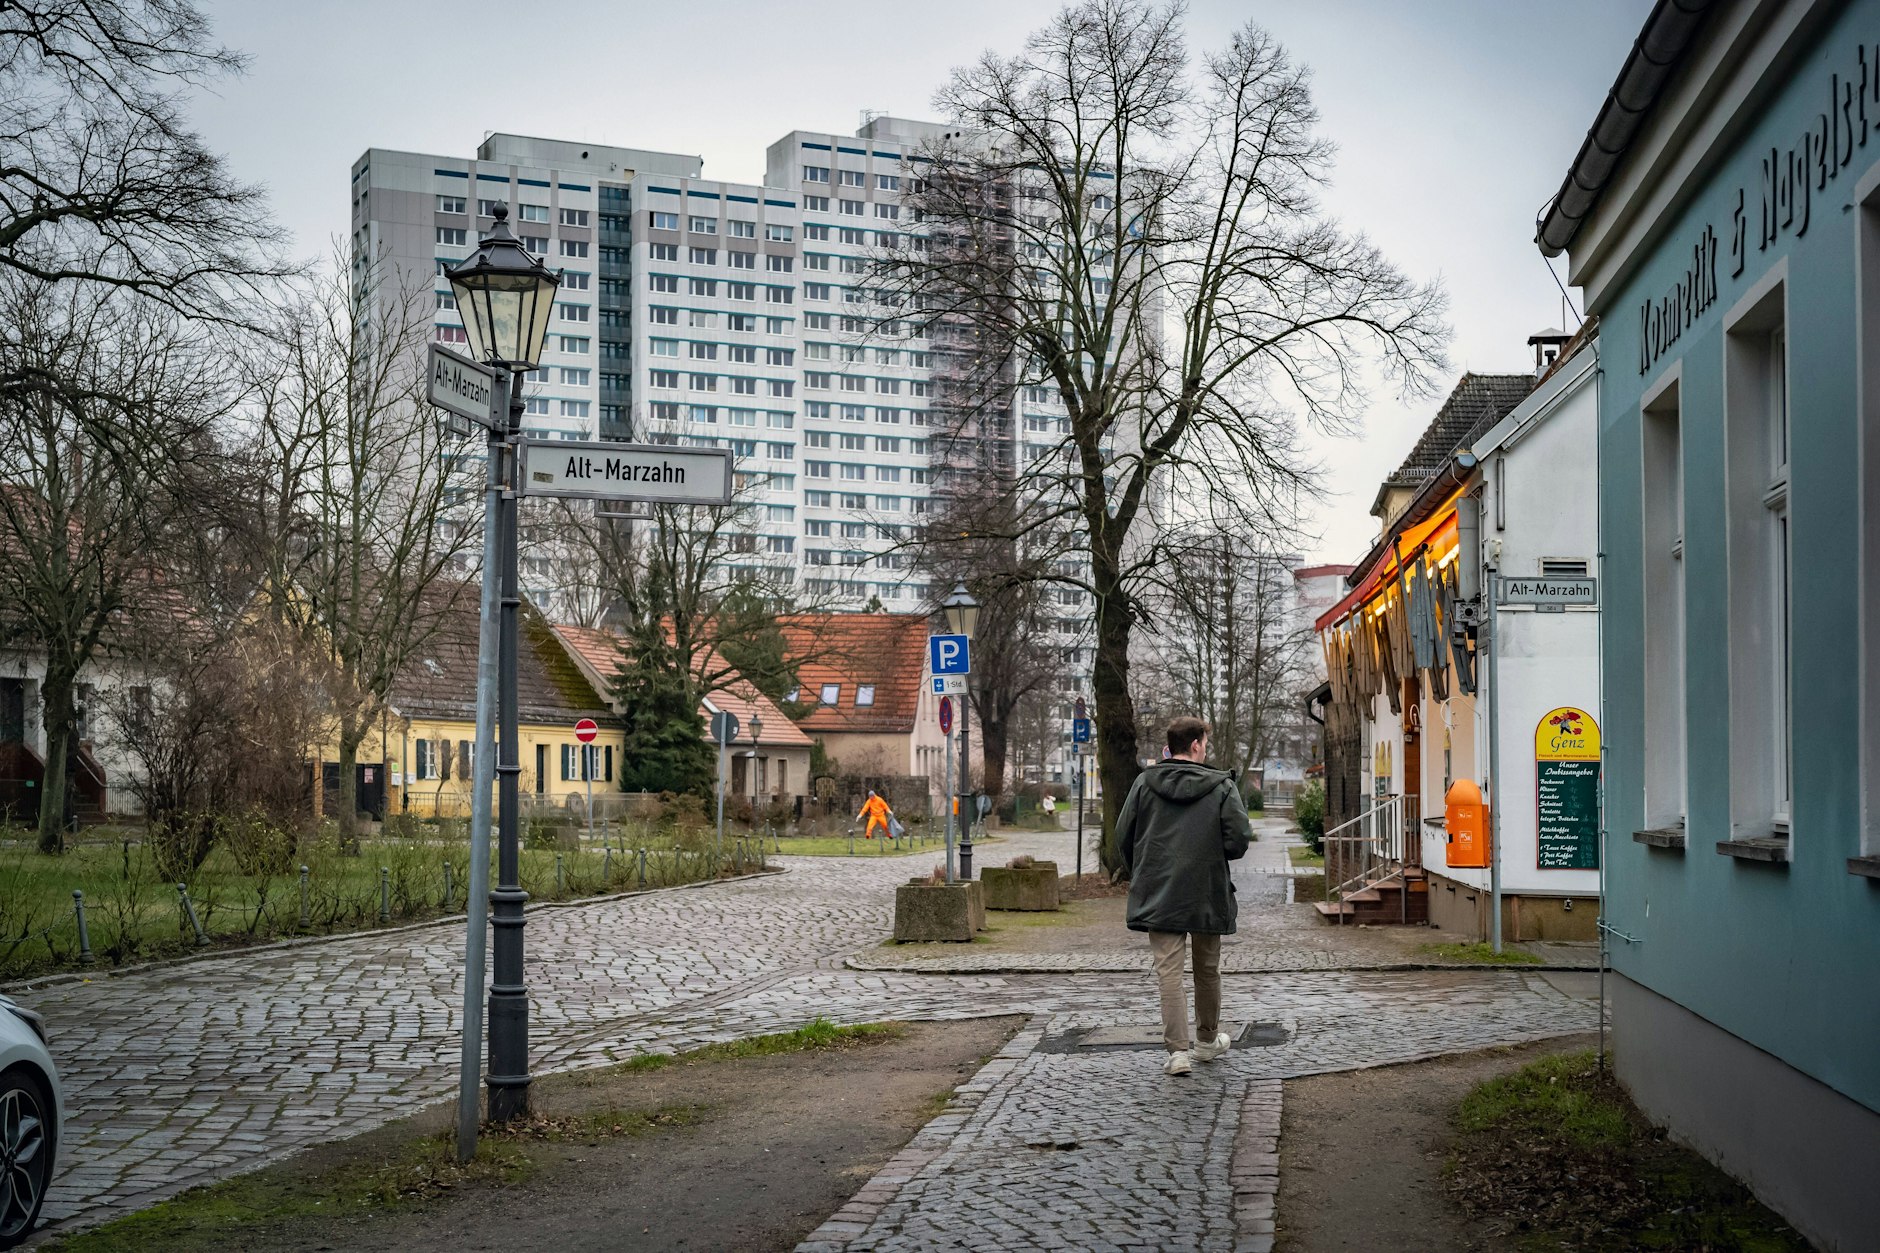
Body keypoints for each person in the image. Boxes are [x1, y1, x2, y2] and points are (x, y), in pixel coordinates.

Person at [1116, 716, 1253, 1077]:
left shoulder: (1144, 784)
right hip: (1206, 891)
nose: (1206, 748)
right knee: (1207, 970)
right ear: (1195, 745)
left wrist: (1143, 871)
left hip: (1159, 890)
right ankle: (1207, 1042)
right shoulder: (1222, 787)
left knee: (1168, 973)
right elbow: (1238, 839)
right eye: (1204, 743)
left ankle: (1177, 1053)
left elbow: (1122, 836)